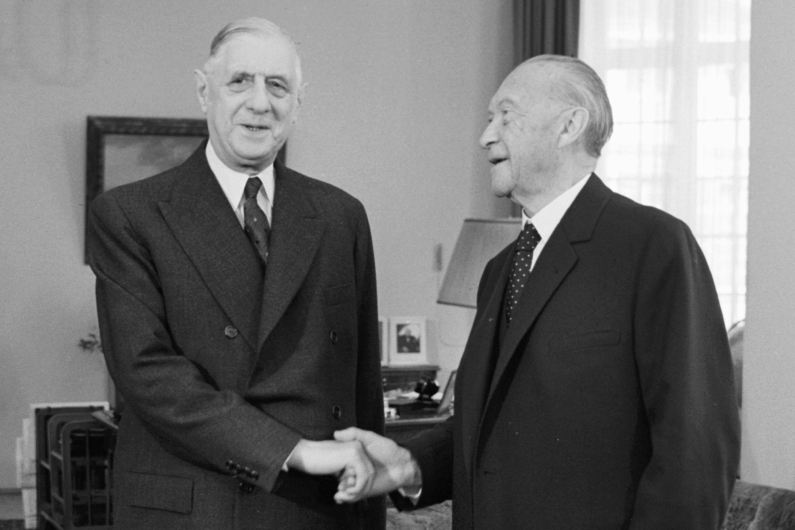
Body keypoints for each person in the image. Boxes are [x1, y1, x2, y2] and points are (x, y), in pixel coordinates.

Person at [333, 55, 741, 529]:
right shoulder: (499, 271)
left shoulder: (653, 246)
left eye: (505, 115)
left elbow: (695, 450)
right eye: (489, 119)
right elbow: (488, 429)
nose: (486, 136)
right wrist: (407, 463)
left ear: (569, 125)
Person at [87, 18, 385, 530]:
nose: (259, 102)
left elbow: (361, 388)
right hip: (193, 505)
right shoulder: (129, 215)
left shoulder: (342, 216)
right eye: (239, 81)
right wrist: (293, 450)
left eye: (277, 85)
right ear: (204, 91)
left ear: (299, 101)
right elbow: (148, 375)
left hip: (313, 510)